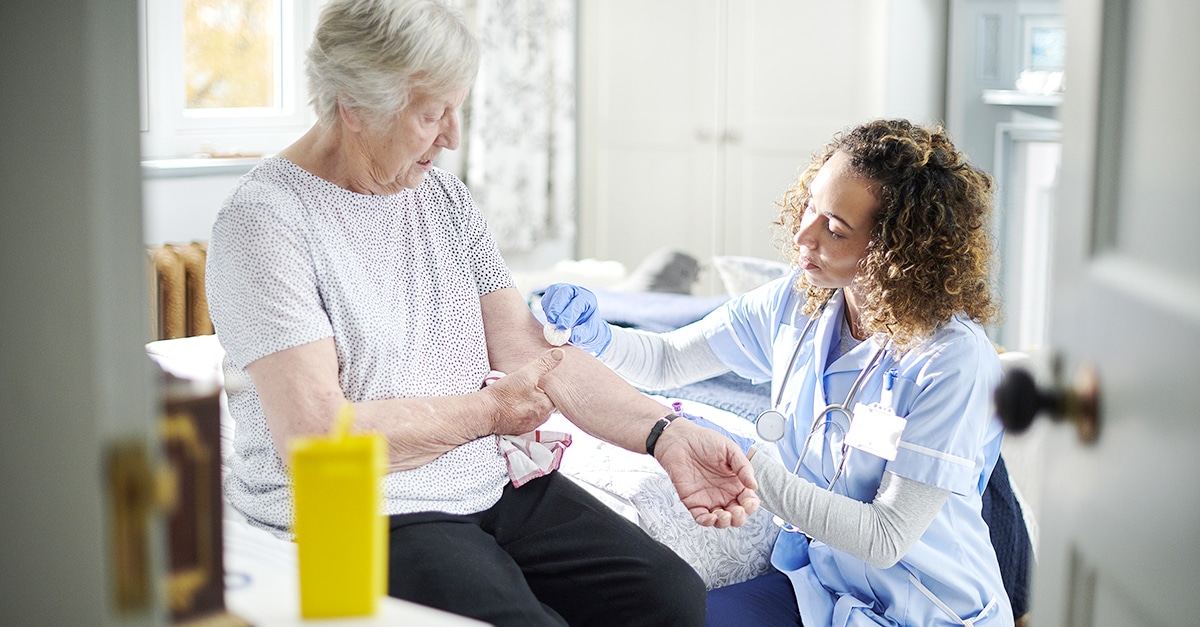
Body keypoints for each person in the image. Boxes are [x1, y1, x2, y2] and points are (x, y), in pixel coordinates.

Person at [205, 1, 759, 625]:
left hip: (484, 482)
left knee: (669, 596)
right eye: (432, 114)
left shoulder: (444, 198)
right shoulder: (264, 223)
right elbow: (315, 437)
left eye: (457, 109)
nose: (453, 137)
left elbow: (534, 358)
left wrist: (666, 434)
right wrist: (491, 412)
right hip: (359, 506)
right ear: (354, 107)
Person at [542, 119, 1015, 626]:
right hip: (823, 591)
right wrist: (598, 336)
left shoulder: (951, 361)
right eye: (810, 205)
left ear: (897, 251)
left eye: (834, 229)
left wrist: (745, 461)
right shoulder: (797, 300)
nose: (802, 234)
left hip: (928, 609)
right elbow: (667, 360)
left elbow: (886, 538)